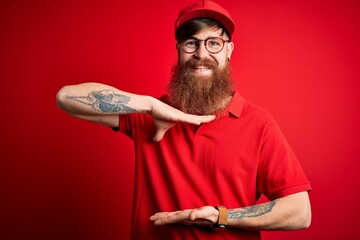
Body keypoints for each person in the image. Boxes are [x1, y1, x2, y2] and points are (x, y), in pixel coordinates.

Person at [56, 0, 312, 239]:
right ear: (179, 49)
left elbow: (300, 212)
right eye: (191, 43)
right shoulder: (150, 115)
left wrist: (220, 216)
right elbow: (66, 97)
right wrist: (149, 105)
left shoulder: (258, 123)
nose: (201, 53)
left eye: (214, 43)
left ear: (229, 50)